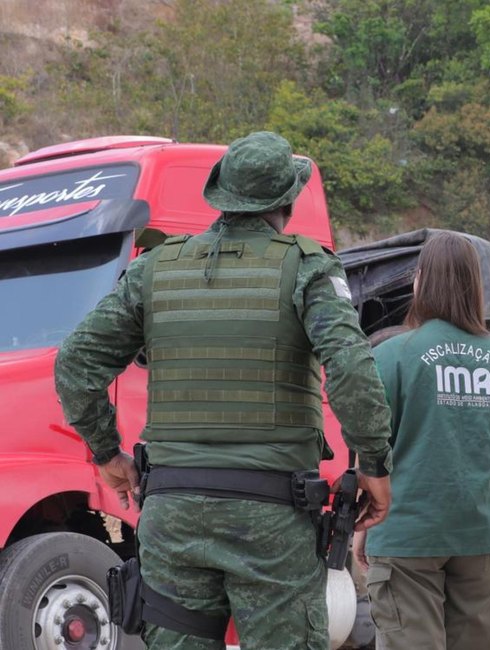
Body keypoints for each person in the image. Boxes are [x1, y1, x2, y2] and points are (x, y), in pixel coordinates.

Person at [54, 131, 394, 649]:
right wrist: (372, 463)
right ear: (287, 200)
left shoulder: (153, 269)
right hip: (273, 519)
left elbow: (76, 364)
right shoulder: (307, 267)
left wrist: (106, 453)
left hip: (172, 514)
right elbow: (350, 367)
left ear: (223, 194)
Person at [353, 232, 490, 650]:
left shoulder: (390, 356)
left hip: (405, 534)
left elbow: (370, 449)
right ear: (475, 286)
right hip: (481, 536)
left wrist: (364, 525)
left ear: (419, 282)